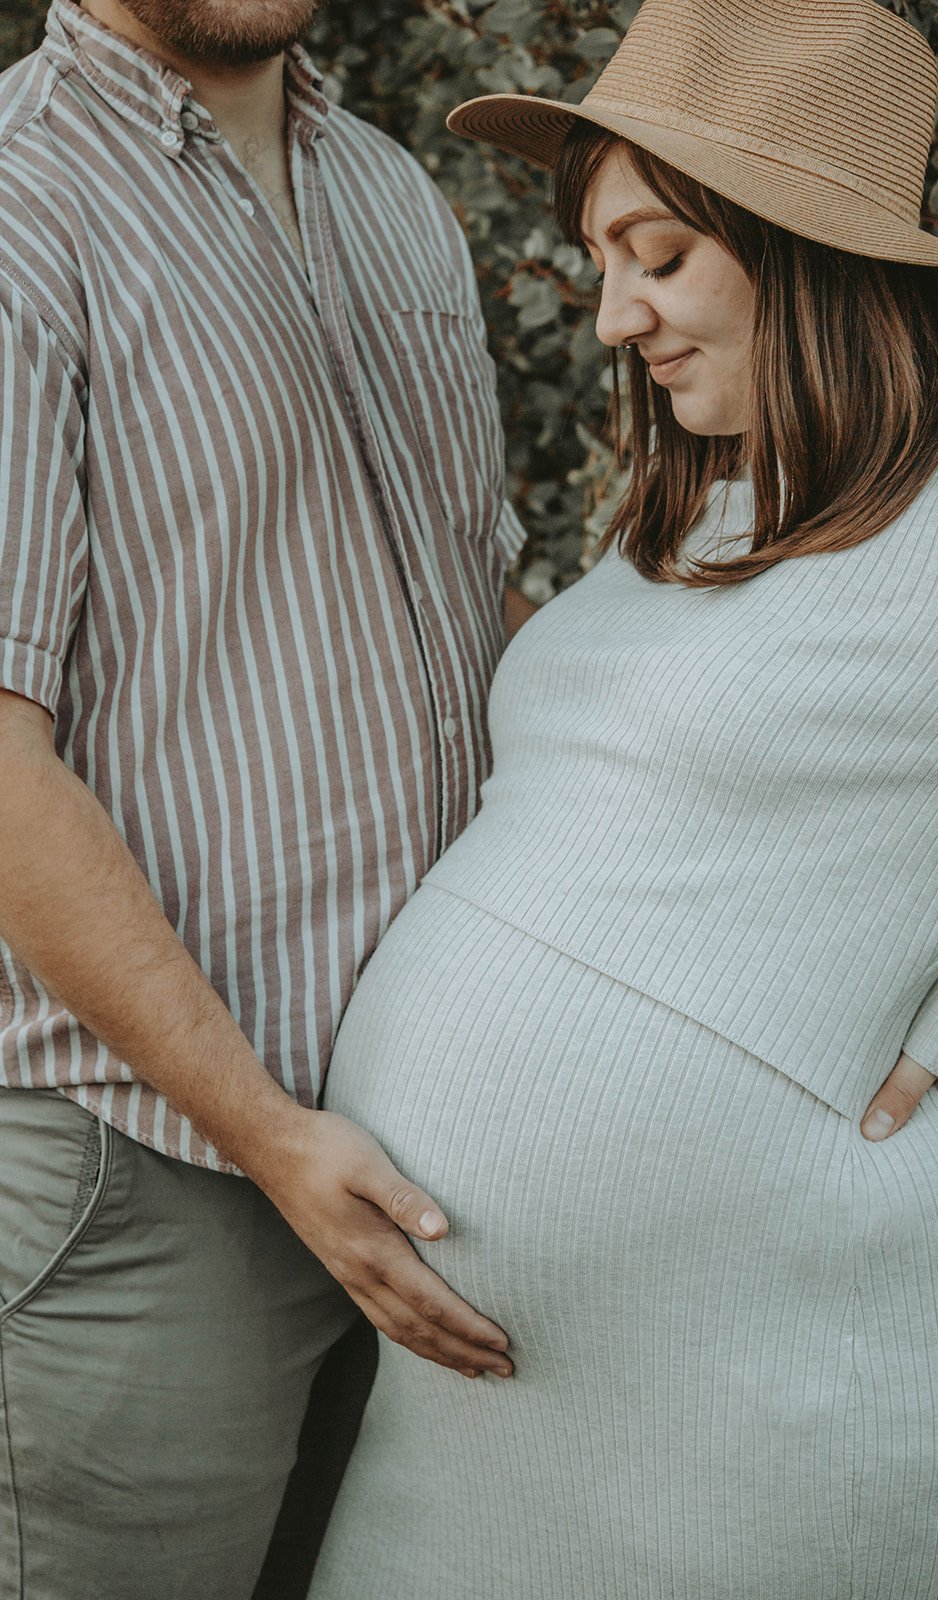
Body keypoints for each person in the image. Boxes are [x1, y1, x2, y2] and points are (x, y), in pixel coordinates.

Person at [309, 2, 938, 1597]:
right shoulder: (717, 505)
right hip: (487, 1407)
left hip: (780, 1386)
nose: (611, 317)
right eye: (599, 263)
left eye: (655, 254)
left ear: (798, 247)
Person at [0, 1, 530, 1595]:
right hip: (147, 1177)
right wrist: (271, 1135)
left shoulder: (390, 189)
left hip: (426, 1159)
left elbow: (482, 620)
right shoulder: (20, 206)